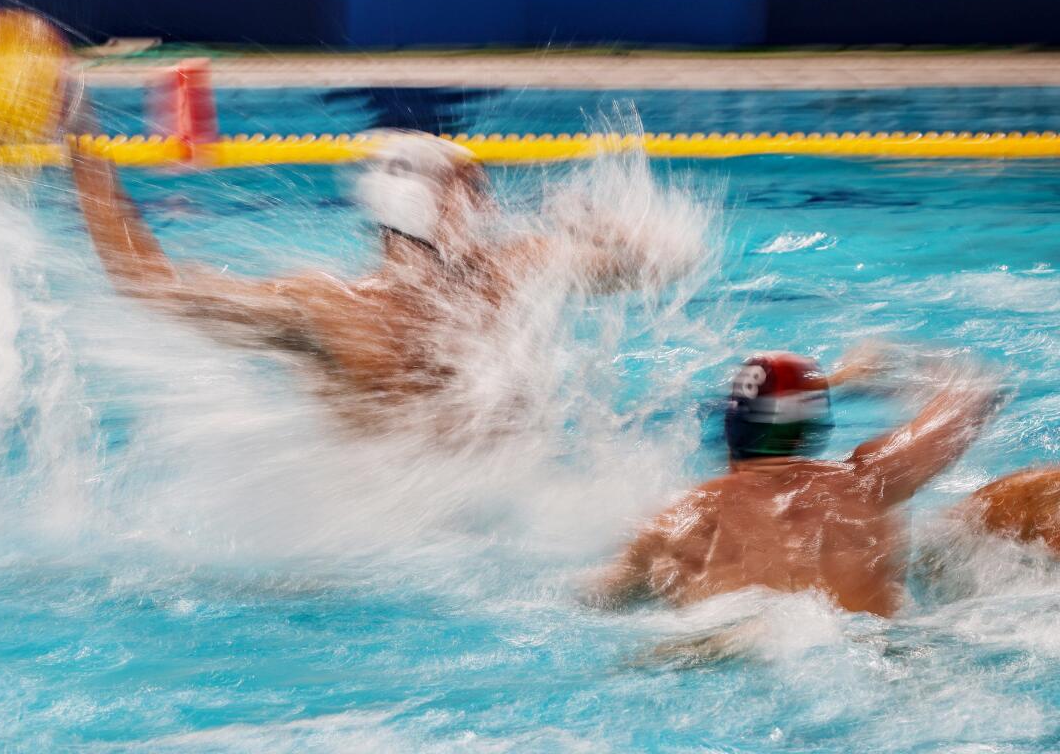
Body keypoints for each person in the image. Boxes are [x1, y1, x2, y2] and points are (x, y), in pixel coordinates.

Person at [67, 114, 690, 434]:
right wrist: (83, 150)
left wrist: (607, 232)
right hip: (422, 544)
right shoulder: (329, 310)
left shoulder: (513, 268)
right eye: (474, 192)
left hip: (424, 545)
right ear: (435, 206)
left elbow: (658, 263)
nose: (490, 207)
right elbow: (150, 286)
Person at [596, 348, 1001, 617]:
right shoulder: (868, 482)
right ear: (810, 427)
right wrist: (878, 367)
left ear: (731, 425)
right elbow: (975, 395)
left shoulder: (676, 525)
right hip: (875, 657)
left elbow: (599, 600)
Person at [957, 466, 1060, 553]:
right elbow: (1052, 542)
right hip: (965, 536)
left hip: (968, 527)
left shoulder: (1050, 484)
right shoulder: (1050, 488)